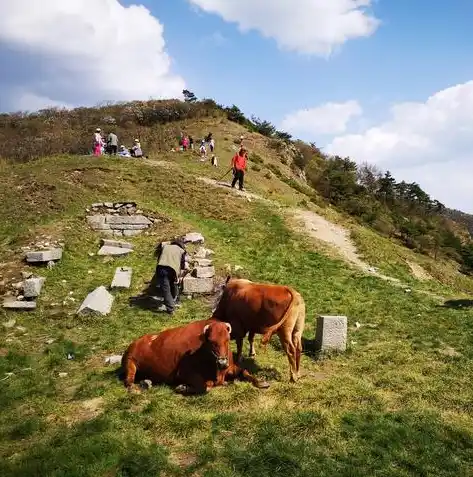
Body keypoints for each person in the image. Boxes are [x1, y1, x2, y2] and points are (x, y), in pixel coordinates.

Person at [155, 238, 189, 315]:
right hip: (172, 270)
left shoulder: (165, 247)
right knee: (173, 284)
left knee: (166, 288)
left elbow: (159, 258)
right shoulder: (181, 251)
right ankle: (172, 305)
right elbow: (182, 264)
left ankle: (170, 305)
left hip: (161, 268)